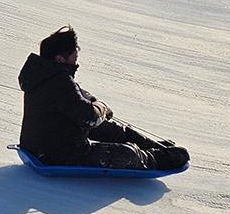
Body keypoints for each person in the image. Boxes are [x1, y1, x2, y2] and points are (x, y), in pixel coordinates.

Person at [18, 26, 189, 171]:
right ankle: (157, 158)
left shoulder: (45, 76)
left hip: (42, 146)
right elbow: (88, 117)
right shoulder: (59, 80)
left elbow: (75, 98)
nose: (76, 63)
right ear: (60, 59)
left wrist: (93, 102)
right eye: (74, 58)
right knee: (126, 154)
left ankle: (153, 146)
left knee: (109, 128)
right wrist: (101, 108)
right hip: (56, 154)